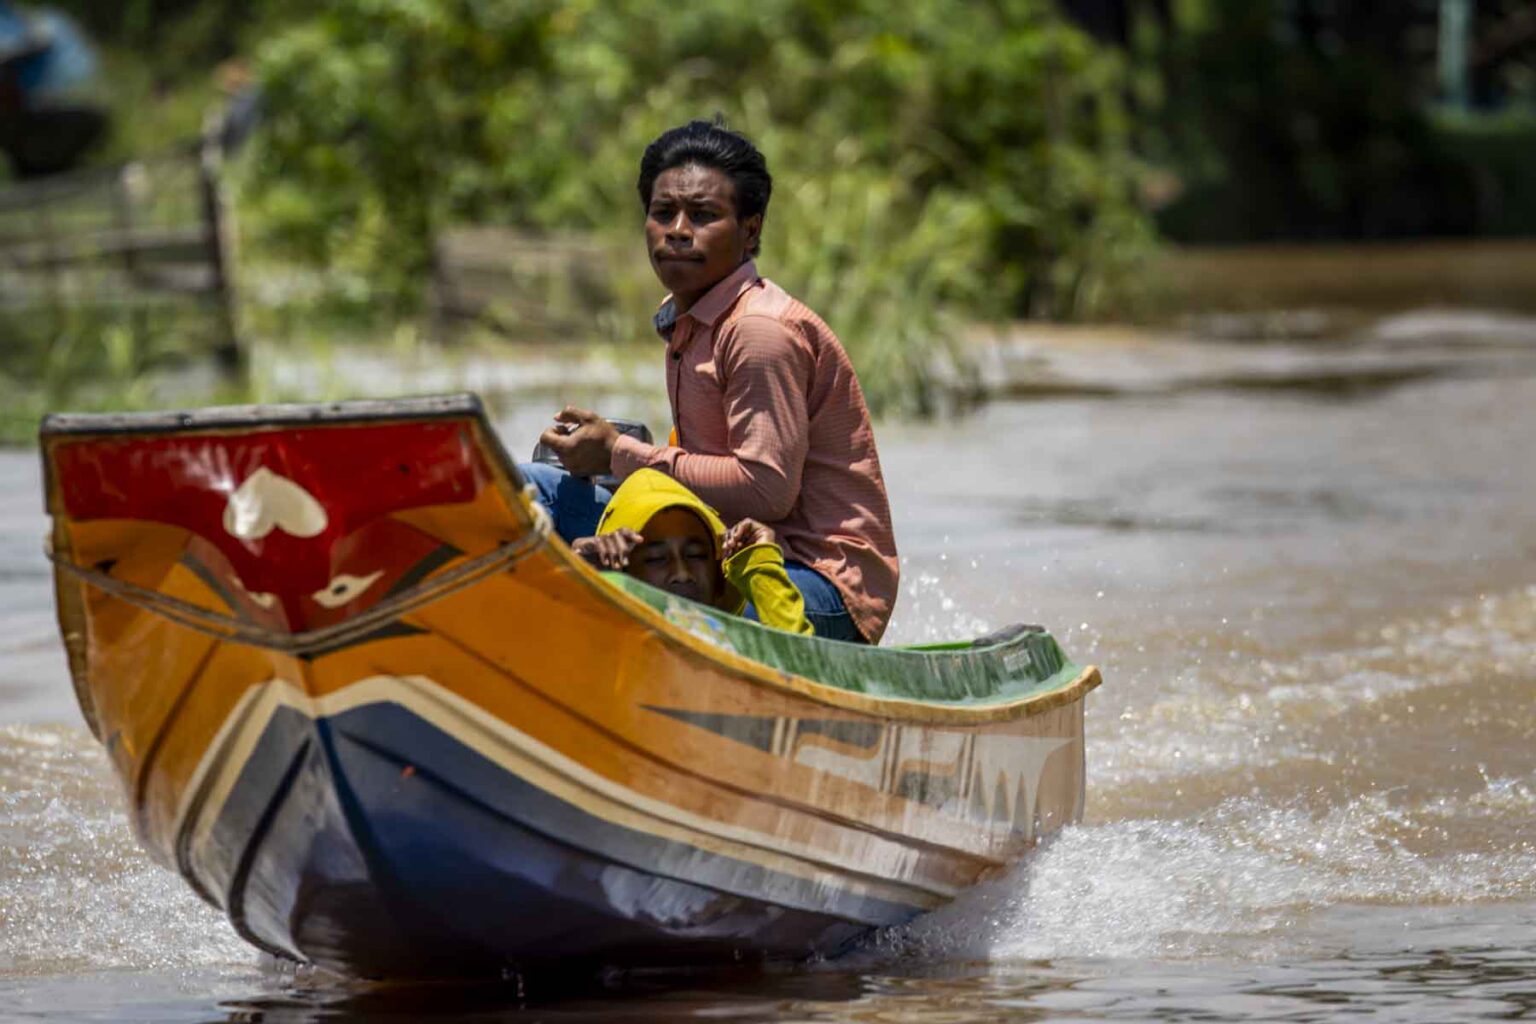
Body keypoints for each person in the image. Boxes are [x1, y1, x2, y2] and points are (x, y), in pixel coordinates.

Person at [522, 119, 898, 644]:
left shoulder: (757, 332)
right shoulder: (687, 319)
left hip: (814, 582)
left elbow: (766, 492)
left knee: (639, 579)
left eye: (703, 216)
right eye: (662, 213)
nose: (678, 229)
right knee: (534, 488)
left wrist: (619, 455)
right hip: (715, 545)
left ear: (749, 231)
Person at [572, 469, 812, 635]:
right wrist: (576, 577)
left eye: (696, 555)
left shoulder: (742, 644)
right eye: (657, 559)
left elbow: (807, 675)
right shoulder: (610, 641)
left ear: (719, 579)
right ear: (623, 572)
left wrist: (760, 567)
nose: (682, 573)